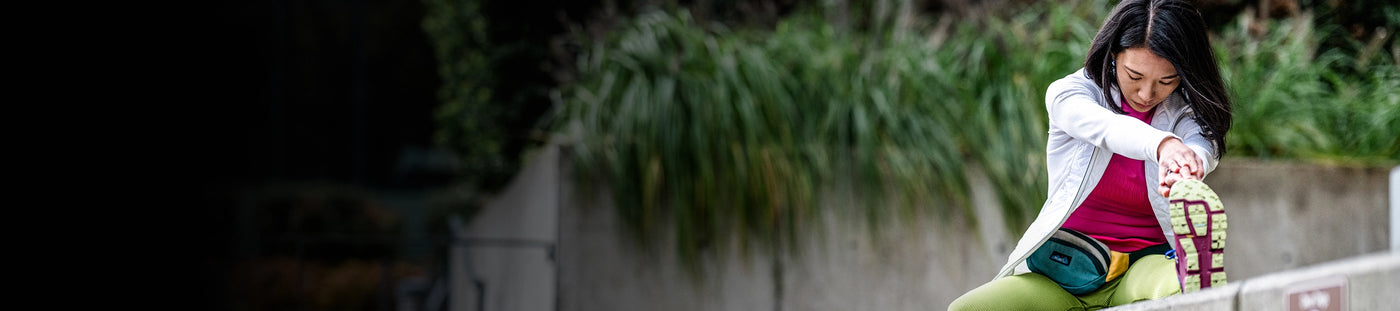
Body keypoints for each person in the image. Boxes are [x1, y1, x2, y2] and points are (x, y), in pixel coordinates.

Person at [948, 0, 1233, 309]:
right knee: (966, 309)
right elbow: (1106, 128)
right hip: (1064, 269)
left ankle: (1195, 277)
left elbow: (1201, 145)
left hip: (1143, 266)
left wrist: (1188, 163)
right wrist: (1164, 145)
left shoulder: (1185, 112)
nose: (1147, 93)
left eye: (1166, 80)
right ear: (1113, 54)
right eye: (1134, 76)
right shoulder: (1071, 93)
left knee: (1178, 285)